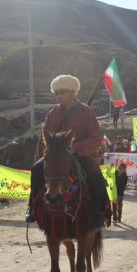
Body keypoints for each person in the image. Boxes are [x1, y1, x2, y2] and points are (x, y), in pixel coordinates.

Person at [26, 74, 109, 228]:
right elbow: (43, 139)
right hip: (56, 157)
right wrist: (40, 158)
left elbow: (96, 139)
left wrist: (75, 148)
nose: (59, 96)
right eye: (56, 93)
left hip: (82, 155)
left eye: (63, 92)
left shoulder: (87, 112)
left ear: (73, 91)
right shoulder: (53, 113)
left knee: (94, 174)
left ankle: (100, 211)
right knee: (36, 170)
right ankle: (32, 207)